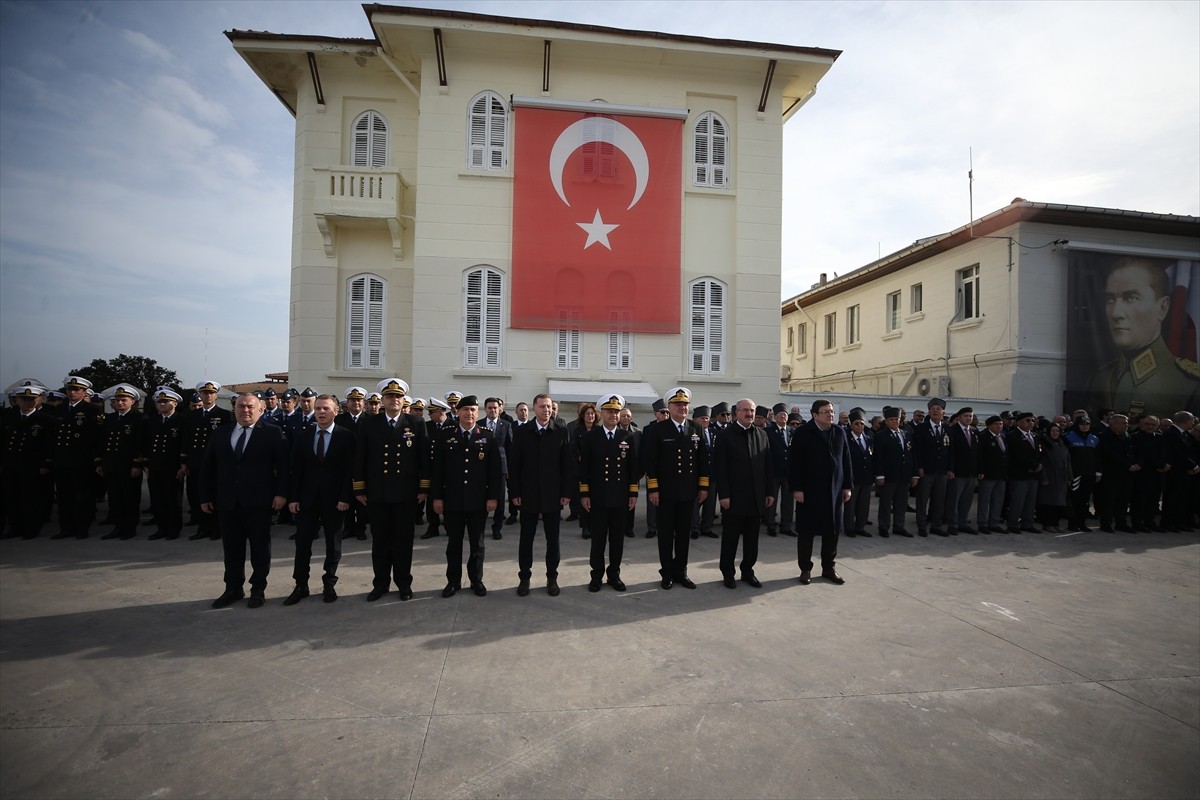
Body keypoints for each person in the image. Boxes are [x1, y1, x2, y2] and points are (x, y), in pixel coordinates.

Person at [200, 393, 289, 609]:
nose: (245, 410)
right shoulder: (221, 433)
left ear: (260, 410)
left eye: (250, 407)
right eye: (241, 406)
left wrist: (281, 494)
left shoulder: (273, 433)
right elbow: (208, 467)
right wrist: (205, 496)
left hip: (259, 501)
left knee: (260, 549)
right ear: (234, 409)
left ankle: (258, 589)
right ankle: (233, 588)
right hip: (227, 502)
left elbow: (284, 468)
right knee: (231, 549)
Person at [1086, 257, 1200, 417]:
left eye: (1131, 298)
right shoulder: (1100, 380)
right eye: (1110, 299)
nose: (1116, 312)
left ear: (1163, 307)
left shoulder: (1190, 384)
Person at [354, 378, 430, 601]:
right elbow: (360, 457)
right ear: (383, 400)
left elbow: (423, 457)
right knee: (380, 542)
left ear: (403, 400)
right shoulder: (369, 423)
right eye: (390, 396)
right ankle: (380, 584)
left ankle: (404, 584)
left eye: (398, 397)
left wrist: (424, 487)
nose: (394, 400)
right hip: (378, 493)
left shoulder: (416, 423)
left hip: (406, 493)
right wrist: (359, 488)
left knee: (404, 541)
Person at [285, 394, 355, 605]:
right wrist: (293, 497)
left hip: (334, 500)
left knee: (333, 545)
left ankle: (329, 584)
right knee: (302, 543)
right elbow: (296, 469)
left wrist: (345, 496)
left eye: (325, 408)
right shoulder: (303, 435)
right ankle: (300, 585)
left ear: (336, 411)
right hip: (306, 500)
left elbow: (349, 471)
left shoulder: (346, 436)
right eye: (318, 409)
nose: (321, 412)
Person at [430, 395, 502, 598]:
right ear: (458, 412)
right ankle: (453, 581)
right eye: (465, 410)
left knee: (477, 544)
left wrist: (492, 497)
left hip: (478, 500)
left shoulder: (487, 436)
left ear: (477, 413)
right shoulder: (446, 435)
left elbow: (494, 471)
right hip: (452, 500)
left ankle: (476, 580)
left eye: (472, 410)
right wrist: (437, 497)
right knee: (454, 544)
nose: (469, 413)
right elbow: (438, 471)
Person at [642, 387, 709, 590]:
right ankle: (667, 572)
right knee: (665, 533)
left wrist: (703, 486)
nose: (682, 407)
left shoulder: (696, 429)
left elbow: (703, 460)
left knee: (683, 533)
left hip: (688, 492)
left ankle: (681, 571)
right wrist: (653, 489)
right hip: (666, 492)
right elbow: (650, 462)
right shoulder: (657, 430)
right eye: (678, 404)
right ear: (669, 407)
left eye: (685, 404)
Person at [509, 393, 574, 596]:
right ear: (534, 408)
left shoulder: (561, 431)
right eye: (542, 406)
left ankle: (552, 577)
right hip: (528, 495)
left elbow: (568, 466)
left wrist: (566, 493)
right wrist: (515, 492)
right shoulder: (522, 432)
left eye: (549, 407)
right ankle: (524, 578)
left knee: (552, 540)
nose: (546, 410)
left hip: (553, 495)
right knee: (526, 539)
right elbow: (515, 465)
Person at [711, 398, 775, 588]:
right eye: (745, 410)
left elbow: (768, 466)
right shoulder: (725, 436)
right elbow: (719, 468)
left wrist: (769, 491)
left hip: (756, 497)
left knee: (752, 539)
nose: (749, 413)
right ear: (736, 413)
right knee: (730, 539)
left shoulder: (762, 434)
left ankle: (748, 571)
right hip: (733, 497)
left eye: (752, 410)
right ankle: (728, 573)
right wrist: (723, 495)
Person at [578, 394, 638, 591]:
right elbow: (583, 468)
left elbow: (632, 469)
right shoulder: (590, 436)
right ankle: (596, 576)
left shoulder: (627, 436)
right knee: (598, 539)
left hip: (620, 497)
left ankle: (614, 575)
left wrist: (633, 493)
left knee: (617, 540)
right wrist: (585, 494)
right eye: (609, 411)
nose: (613, 415)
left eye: (616, 411)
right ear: (601, 413)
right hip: (598, 497)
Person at [789, 399, 853, 585]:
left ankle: (828, 568)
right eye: (825, 412)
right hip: (809, 492)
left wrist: (847, 486)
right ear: (815, 415)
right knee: (807, 532)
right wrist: (797, 488)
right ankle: (805, 569)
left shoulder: (839, 432)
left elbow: (846, 461)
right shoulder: (803, 433)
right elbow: (794, 464)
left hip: (834, 491)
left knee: (832, 532)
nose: (830, 415)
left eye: (831, 411)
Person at [1, 385, 55, 540]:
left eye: (31, 399)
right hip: (11, 464)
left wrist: (46, 463)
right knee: (11, 497)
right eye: (24, 399)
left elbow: (49, 445)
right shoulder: (9, 418)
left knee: (31, 499)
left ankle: (31, 528)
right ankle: (14, 527)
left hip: (32, 466)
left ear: (38, 400)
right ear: (16, 400)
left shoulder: (45, 420)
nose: (27, 402)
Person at [181, 380, 232, 540]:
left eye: (211, 393)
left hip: (216, 463)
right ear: (200, 395)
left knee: (216, 496)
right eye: (204, 393)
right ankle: (202, 527)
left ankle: (217, 529)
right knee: (197, 495)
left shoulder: (224, 415)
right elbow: (186, 440)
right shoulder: (191, 416)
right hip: (196, 462)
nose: (208, 396)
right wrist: (184, 462)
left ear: (216, 395)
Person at [96, 384, 146, 540]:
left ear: (132, 401)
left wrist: (137, 464)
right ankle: (118, 526)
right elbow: (101, 442)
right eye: (117, 400)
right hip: (111, 464)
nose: (119, 403)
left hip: (128, 466)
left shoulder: (139, 419)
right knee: (115, 498)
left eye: (124, 400)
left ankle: (129, 528)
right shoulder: (109, 419)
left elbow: (140, 443)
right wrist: (99, 462)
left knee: (130, 498)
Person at [144, 387, 185, 540]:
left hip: (172, 467)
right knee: (158, 498)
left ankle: (173, 529)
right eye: (159, 402)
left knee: (173, 500)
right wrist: (146, 464)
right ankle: (161, 528)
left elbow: (183, 444)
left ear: (174, 403)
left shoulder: (181, 420)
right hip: (155, 465)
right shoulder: (152, 420)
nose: (161, 404)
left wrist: (183, 464)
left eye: (165, 401)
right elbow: (147, 443)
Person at [874, 406, 916, 537]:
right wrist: (880, 475)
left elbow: (912, 455)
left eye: (896, 419)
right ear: (886, 421)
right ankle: (884, 526)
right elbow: (878, 457)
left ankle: (899, 526)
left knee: (901, 503)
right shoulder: (881, 436)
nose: (894, 422)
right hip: (888, 475)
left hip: (904, 476)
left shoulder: (906, 434)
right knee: (886, 503)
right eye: (891, 419)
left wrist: (914, 475)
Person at [912, 397, 951, 536]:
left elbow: (950, 450)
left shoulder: (947, 428)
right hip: (926, 470)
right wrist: (919, 467)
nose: (935, 411)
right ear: (928, 412)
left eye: (938, 409)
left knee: (939, 500)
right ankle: (921, 526)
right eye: (932, 409)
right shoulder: (921, 428)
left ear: (943, 412)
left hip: (941, 471)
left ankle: (936, 525)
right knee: (922, 499)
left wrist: (950, 468)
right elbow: (916, 450)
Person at [1095, 413, 1136, 532]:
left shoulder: (1127, 436)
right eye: (1123, 423)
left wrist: (1135, 464)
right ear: (1114, 424)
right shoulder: (1104, 436)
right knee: (1109, 500)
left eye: (1127, 423)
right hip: (1111, 473)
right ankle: (1106, 524)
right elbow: (1110, 454)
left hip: (1127, 473)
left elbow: (1132, 451)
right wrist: (1127, 465)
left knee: (1123, 499)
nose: (1126, 425)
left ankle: (1121, 523)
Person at [1005, 411, 1044, 533]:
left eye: (1032, 420)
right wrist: (1032, 465)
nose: (1031, 423)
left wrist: (1039, 465)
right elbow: (1017, 455)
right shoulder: (1012, 436)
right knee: (1018, 500)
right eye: (1027, 420)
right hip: (1020, 473)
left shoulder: (1035, 436)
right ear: (1019, 422)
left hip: (1034, 474)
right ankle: (1013, 524)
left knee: (1030, 501)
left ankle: (1027, 523)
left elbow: (1040, 453)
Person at [481, 397, 513, 540]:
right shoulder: (479, 424)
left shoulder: (505, 424)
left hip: (501, 467)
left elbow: (510, 448)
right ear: (485, 409)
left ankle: (497, 527)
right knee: (482, 498)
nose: (493, 410)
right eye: (490, 408)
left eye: (495, 408)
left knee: (499, 499)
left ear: (499, 409)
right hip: (482, 466)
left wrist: (510, 470)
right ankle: (480, 527)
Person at [1063, 416, 1100, 532]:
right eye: (1082, 424)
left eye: (1087, 424)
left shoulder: (1094, 439)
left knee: (1085, 500)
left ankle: (1082, 523)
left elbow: (1098, 457)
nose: (1085, 426)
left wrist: (1098, 472)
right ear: (1077, 425)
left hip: (1089, 474)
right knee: (1074, 500)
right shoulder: (1068, 437)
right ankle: (1072, 524)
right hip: (1075, 474)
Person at [567, 402, 599, 536]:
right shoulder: (577, 431)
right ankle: (585, 527)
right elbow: (573, 450)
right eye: (587, 414)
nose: (590, 416)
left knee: (595, 500)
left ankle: (594, 526)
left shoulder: (599, 430)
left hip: (597, 471)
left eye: (592, 413)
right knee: (583, 499)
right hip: (581, 471)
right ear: (582, 416)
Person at [946, 407, 979, 533]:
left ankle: (963, 522)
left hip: (971, 472)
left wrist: (979, 470)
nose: (969, 418)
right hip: (957, 471)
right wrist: (950, 469)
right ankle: (952, 524)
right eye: (966, 416)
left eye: (970, 416)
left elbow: (977, 452)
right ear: (959, 417)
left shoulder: (975, 431)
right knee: (954, 499)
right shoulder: (951, 430)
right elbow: (951, 452)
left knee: (967, 499)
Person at [690, 405, 719, 540]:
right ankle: (694, 528)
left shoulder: (714, 433)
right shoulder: (690, 433)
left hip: (712, 473)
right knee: (695, 502)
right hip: (695, 475)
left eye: (707, 418)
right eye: (702, 418)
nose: (705, 421)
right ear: (695, 419)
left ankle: (706, 527)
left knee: (710, 503)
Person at [1036, 422, 1072, 533]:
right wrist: (1044, 478)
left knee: (1059, 503)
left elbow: (1068, 462)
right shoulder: (1045, 444)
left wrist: (1070, 477)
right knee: (1048, 502)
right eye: (1053, 431)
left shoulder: (1062, 443)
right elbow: (1042, 462)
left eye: (1057, 431)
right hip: (1050, 477)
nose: (1055, 433)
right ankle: (1048, 524)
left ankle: (1056, 523)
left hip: (1062, 478)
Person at [843, 410, 874, 537]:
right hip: (852, 477)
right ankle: (849, 527)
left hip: (866, 477)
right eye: (856, 424)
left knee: (864, 504)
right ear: (851, 425)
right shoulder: (846, 439)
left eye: (861, 423)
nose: (859, 426)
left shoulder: (868, 438)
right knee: (851, 505)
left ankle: (860, 527)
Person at [975, 415, 1008, 533]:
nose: (999, 426)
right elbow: (980, 456)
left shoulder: (1003, 437)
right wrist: (981, 471)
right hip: (988, 474)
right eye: (996, 424)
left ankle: (994, 522)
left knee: (998, 500)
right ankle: (982, 523)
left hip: (1001, 474)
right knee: (985, 500)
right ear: (989, 426)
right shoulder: (983, 437)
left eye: (1000, 424)